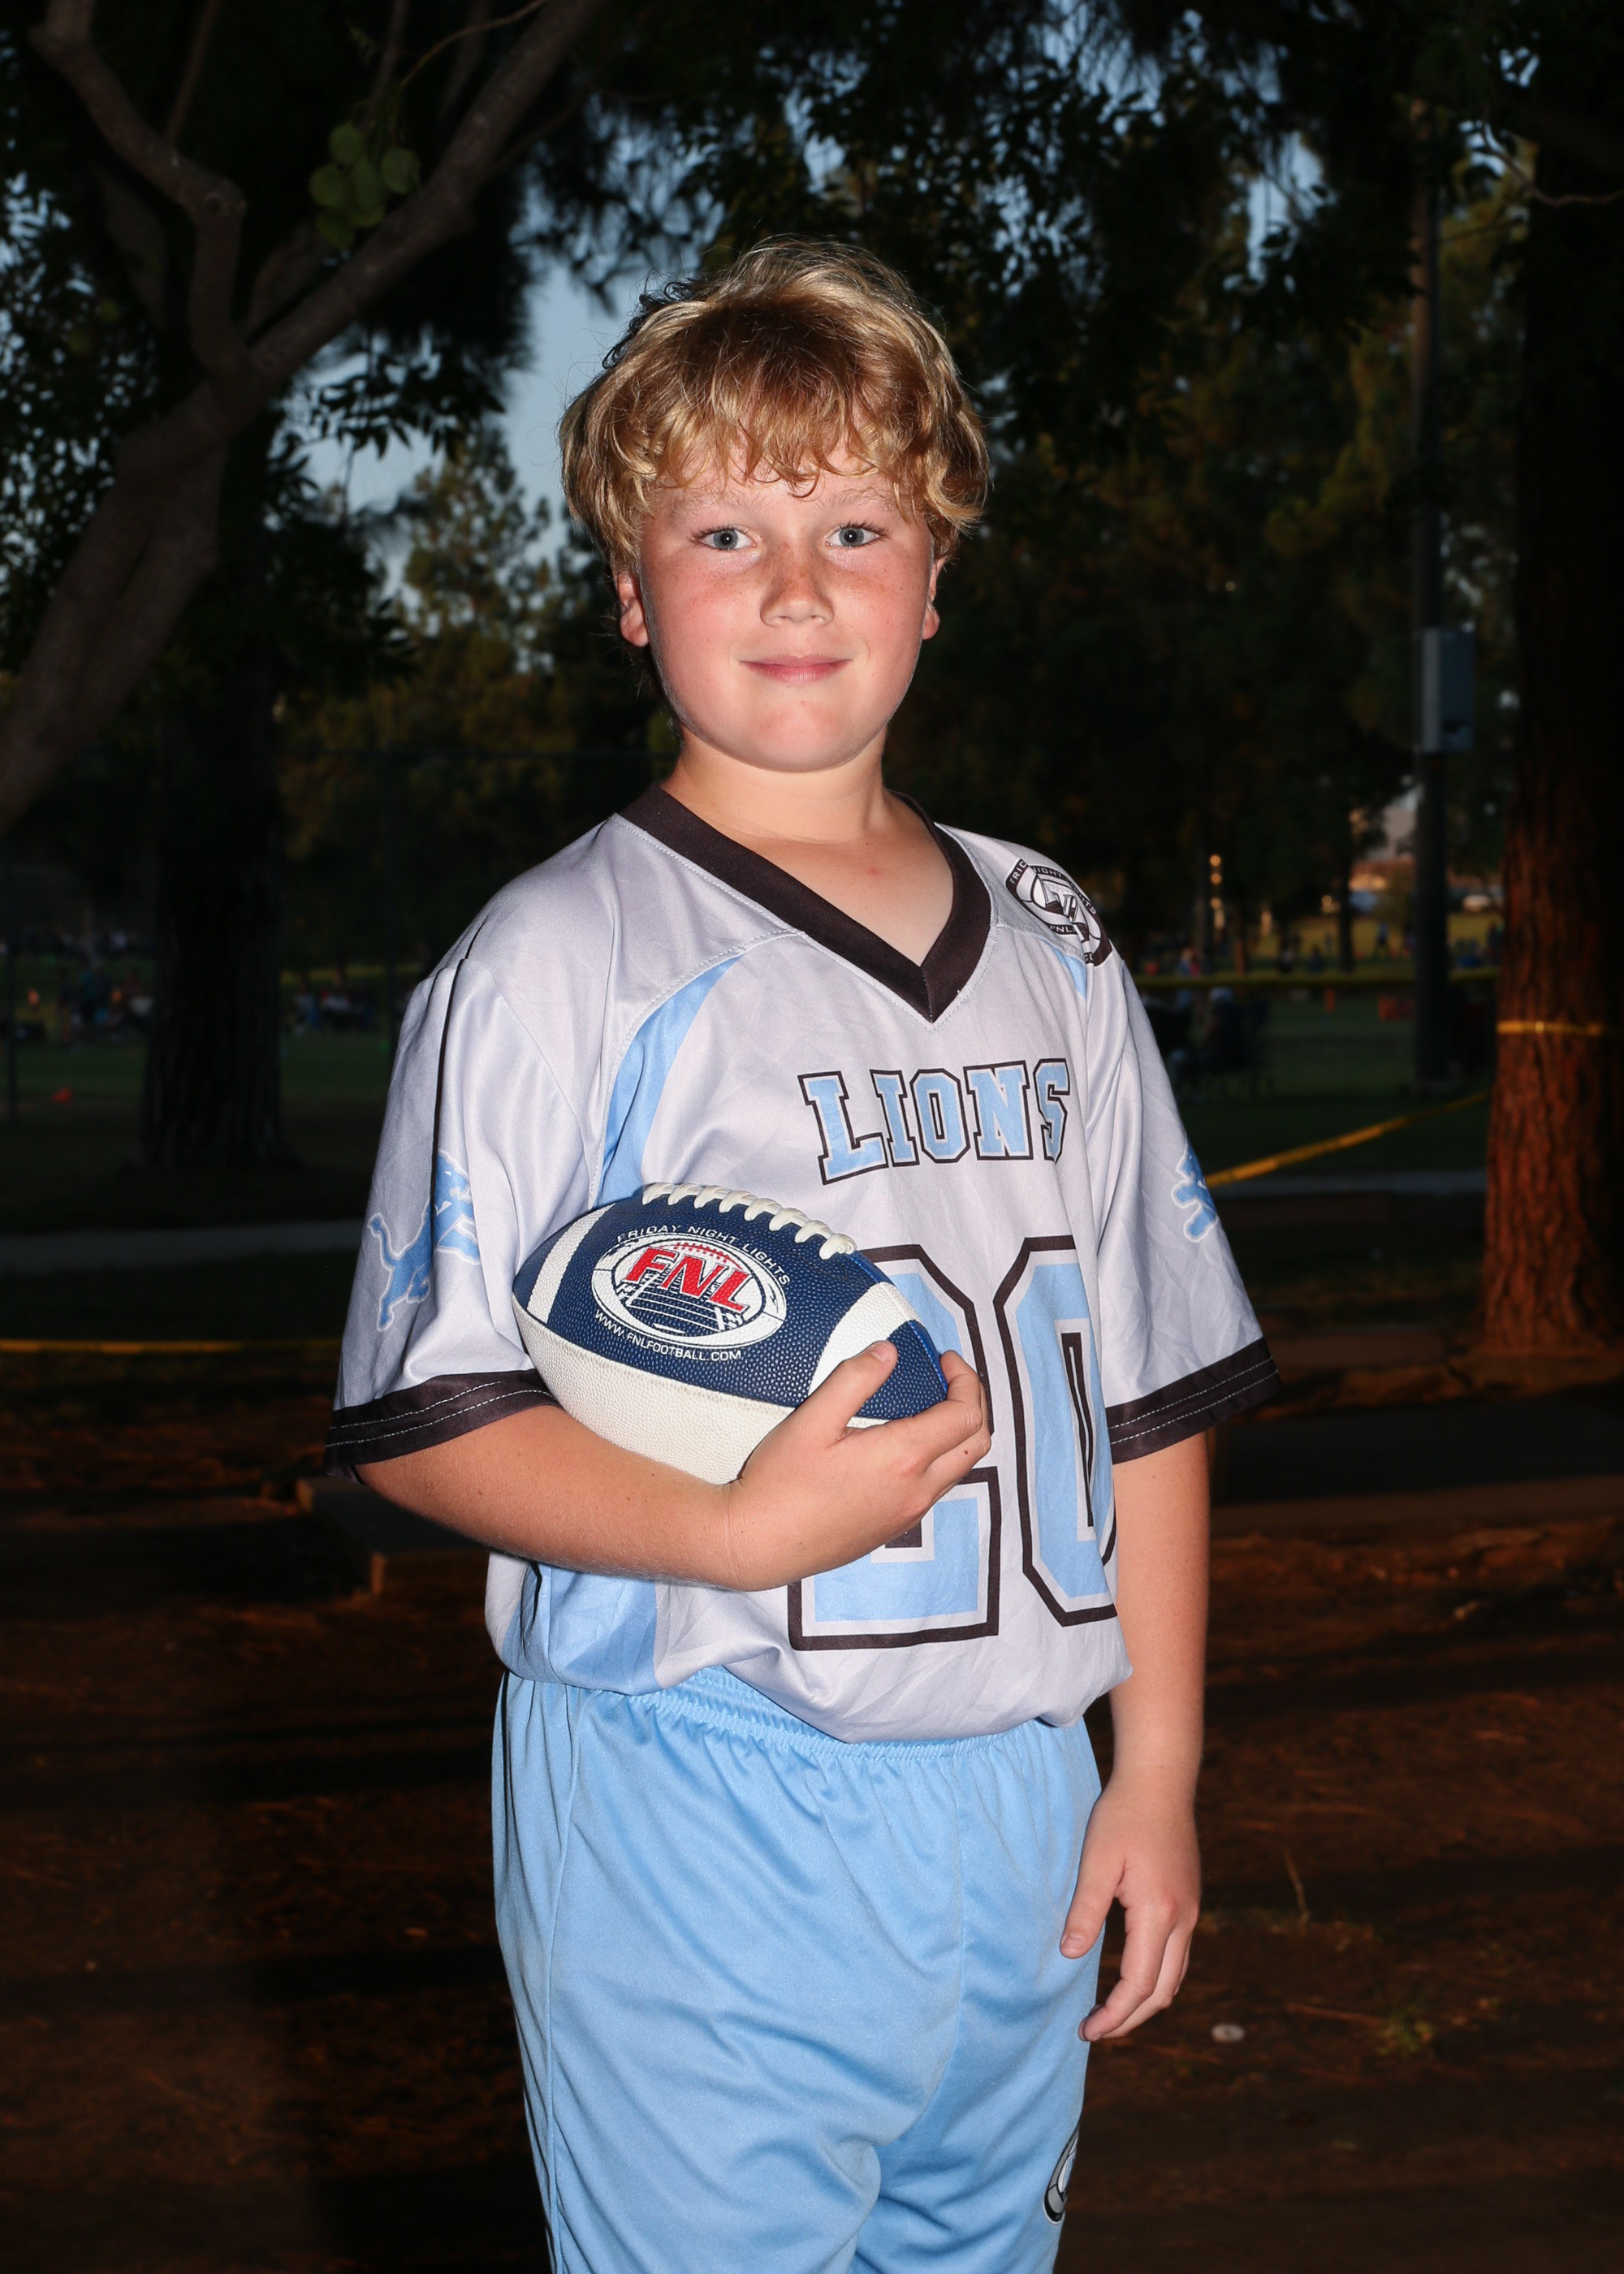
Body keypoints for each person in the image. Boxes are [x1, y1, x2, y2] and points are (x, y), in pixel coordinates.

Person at [328, 241, 1276, 2273]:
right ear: (627, 588)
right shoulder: (557, 956)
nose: (792, 584)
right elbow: (426, 1416)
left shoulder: (1053, 935)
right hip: (701, 1783)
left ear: (936, 576)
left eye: (854, 526)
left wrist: (1159, 1763)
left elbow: (1147, 1392)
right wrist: (733, 1531)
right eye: (723, 532)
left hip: (1022, 1786)